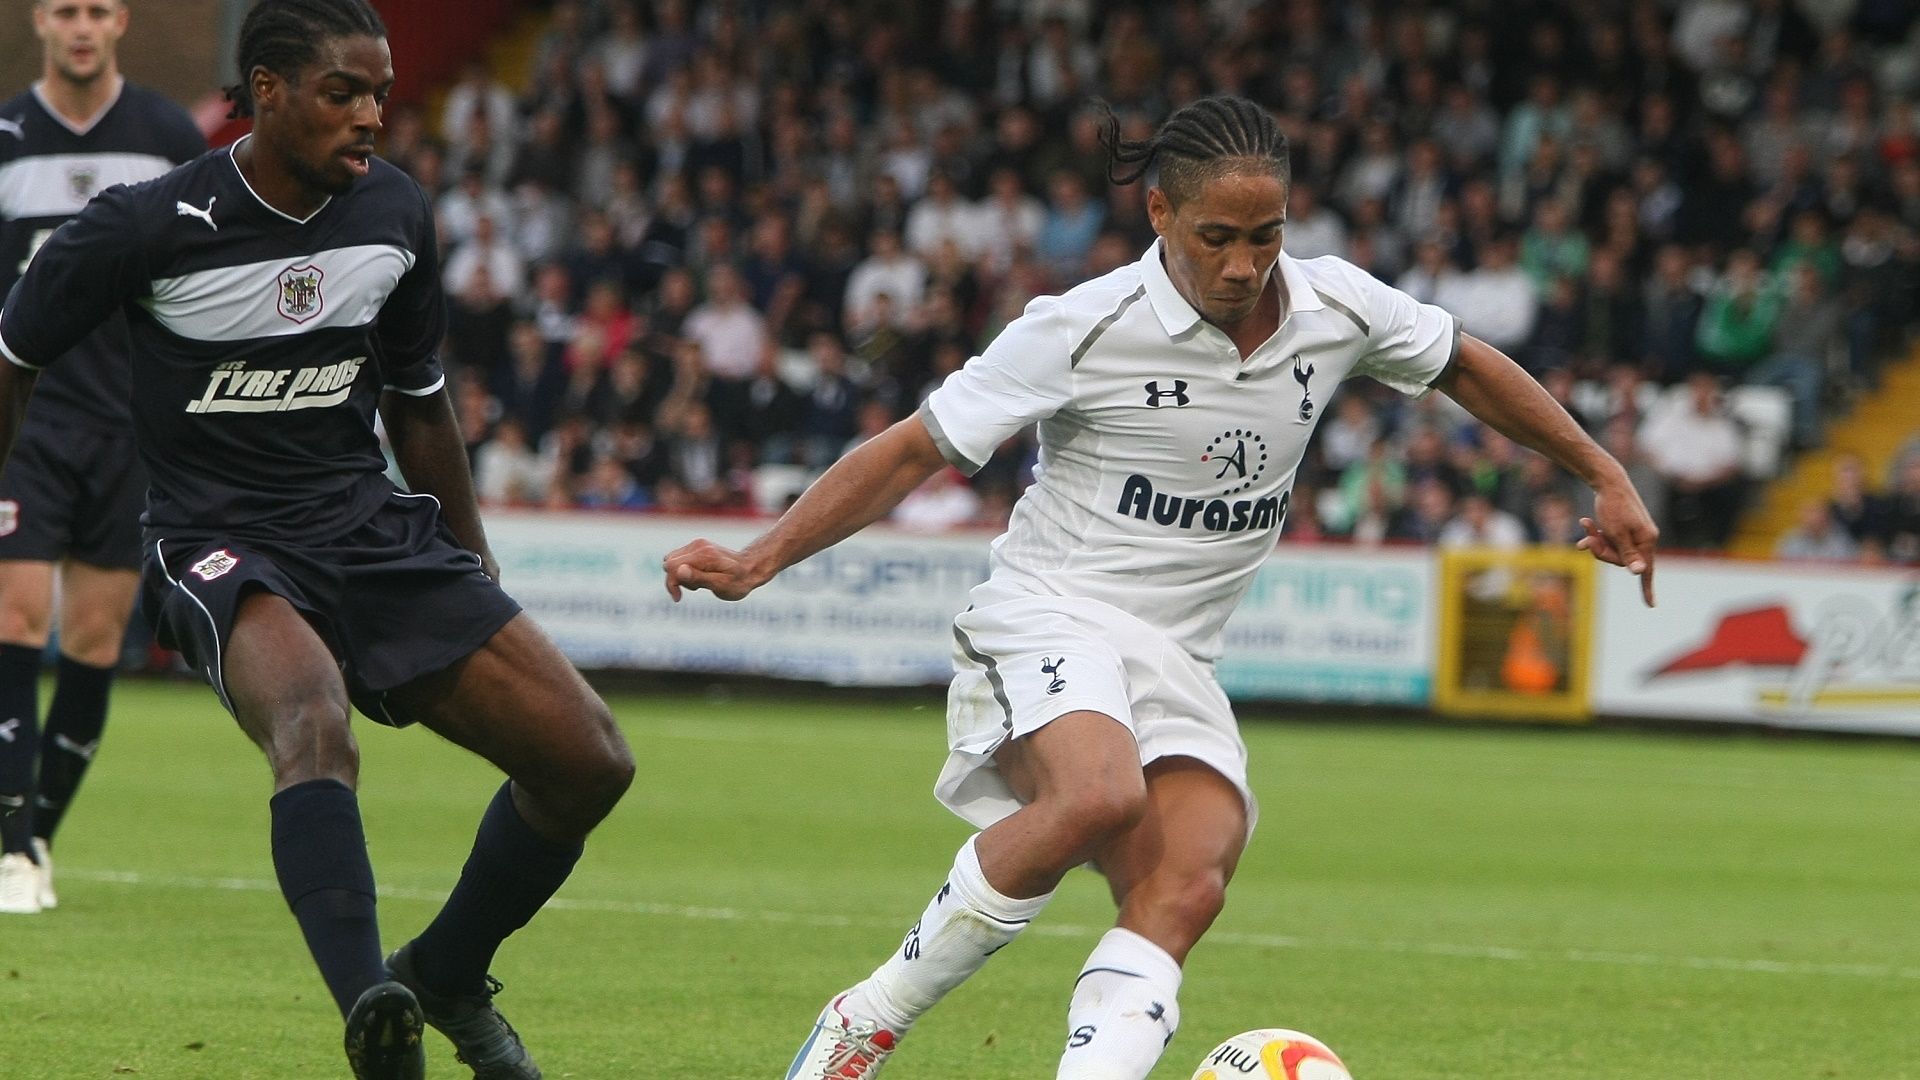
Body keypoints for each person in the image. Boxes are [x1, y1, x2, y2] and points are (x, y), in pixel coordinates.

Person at [664, 95, 1659, 1080]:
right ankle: (867, 1020)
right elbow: (912, 450)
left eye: (1266, 235)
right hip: (1052, 609)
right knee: (1098, 794)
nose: (1243, 264)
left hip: (1180, 655)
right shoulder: (1081, 326)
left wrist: (1603, 472)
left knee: (1188, 883)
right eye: (1216, 237)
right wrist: (763, 557)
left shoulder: (1339, 307)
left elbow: (1465, 366)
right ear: (1160, 213)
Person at [0, 3, 635, 1078]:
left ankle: (444, 973)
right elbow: (13, 358)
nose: (372, 115)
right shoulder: (145, 224)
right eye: (343, 92)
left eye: (378, 93)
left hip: (366, 525)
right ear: (267, 91)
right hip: (216, 541)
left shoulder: (395, 213)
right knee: (312, 721)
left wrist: (472, 567)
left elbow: (419, 402)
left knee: (588, 762)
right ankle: (373, 1015)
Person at [0, 0, 205, 916]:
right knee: (14, 615)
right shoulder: (6, 137)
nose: (80, 26)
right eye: (64, 9)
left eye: (96, 9)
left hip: (128, 425)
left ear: (119, 20)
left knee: (91, 640)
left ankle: (36, 838)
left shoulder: (168, 137)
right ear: (40, 20)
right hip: (25, 420)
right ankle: (10, 850)